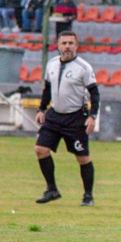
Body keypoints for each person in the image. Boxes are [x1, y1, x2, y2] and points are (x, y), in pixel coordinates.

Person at [34, 30, 100, 207]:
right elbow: (47, 88)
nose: (67, 46)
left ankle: (88, 196)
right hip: (54, 115)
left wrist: (92, 116)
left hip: (75, 118)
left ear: (76, 46)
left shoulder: (84, 68)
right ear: (58, 45)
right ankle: (52, 190)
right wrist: (41, 109)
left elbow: (95, 93)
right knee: (40, 149)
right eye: (64, 43)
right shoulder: (52, 64)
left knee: (82, 158)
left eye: (71, 43)